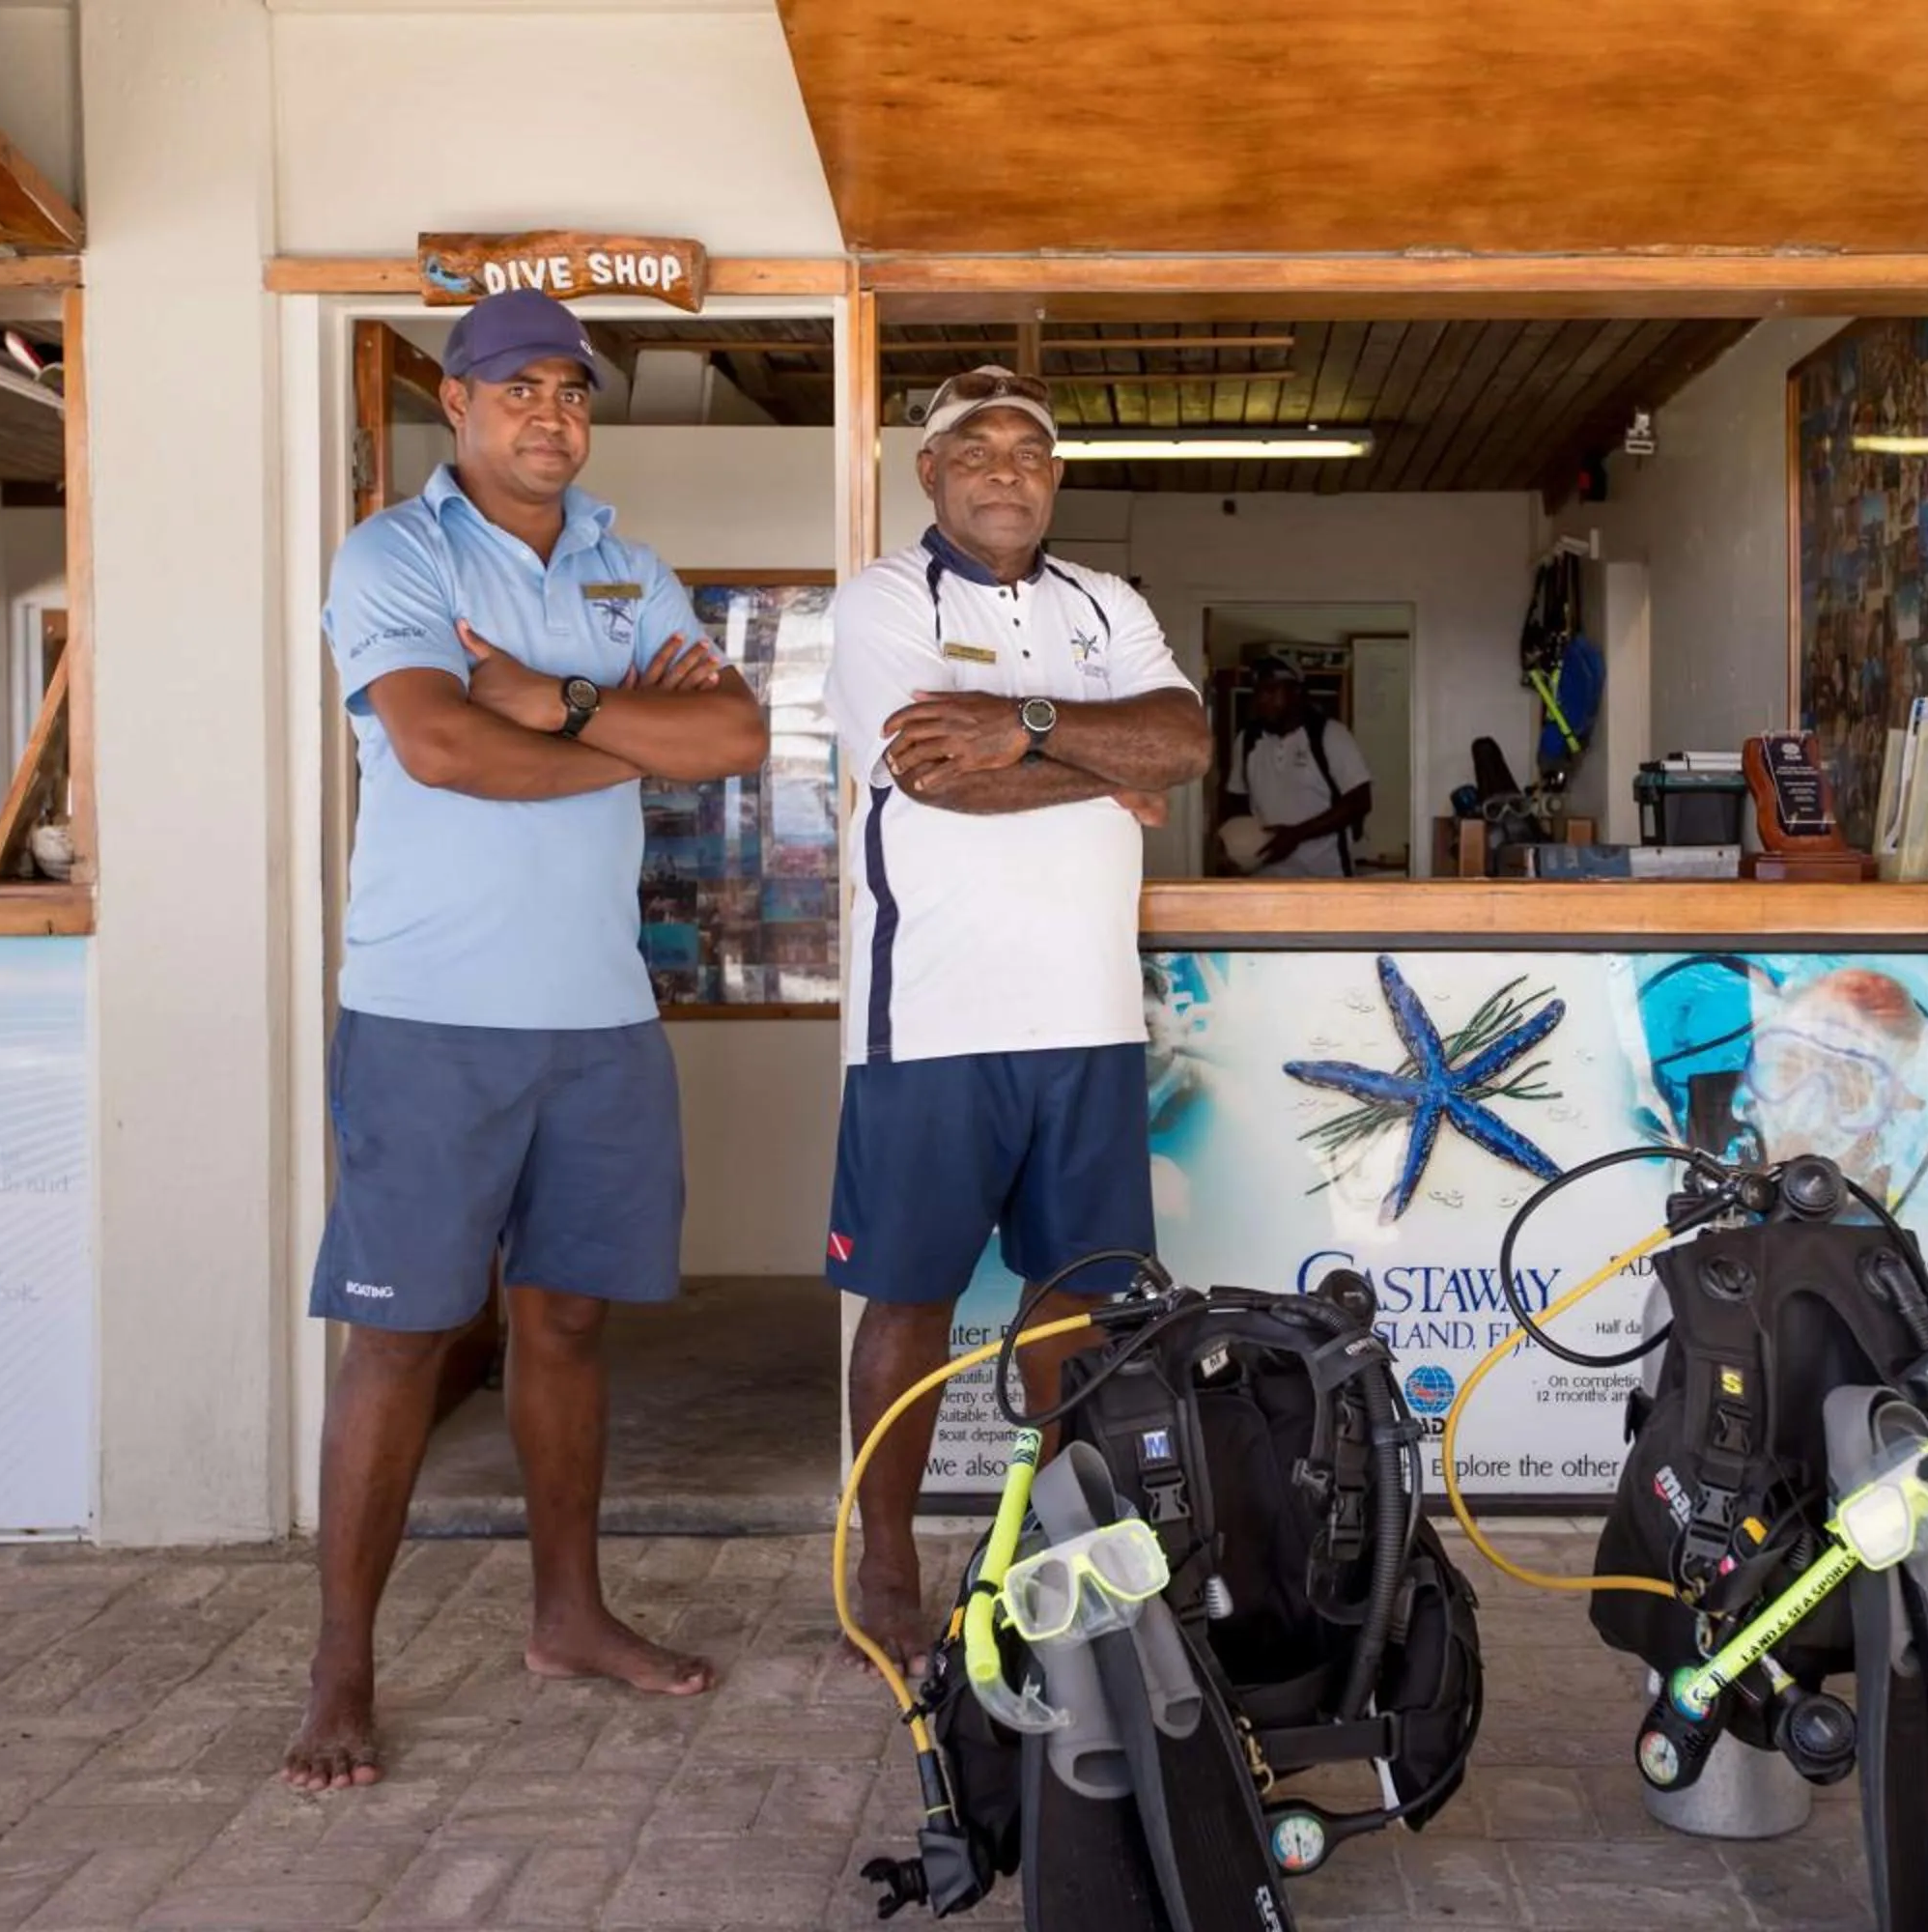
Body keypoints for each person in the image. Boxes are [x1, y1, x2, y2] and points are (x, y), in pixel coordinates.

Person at [284, 289, 768, 1791]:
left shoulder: (629, 566)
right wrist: (619, 729)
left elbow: (735, 742)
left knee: (566, 1323)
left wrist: (550, 703)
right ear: (457, 399)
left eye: (571, 389)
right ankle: (341, 1671)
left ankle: (571, 1617)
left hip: (600, 1017)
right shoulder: (397, 554)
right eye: (519, 389)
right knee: (402, 1337)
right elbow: (436, 744)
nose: (550, 414)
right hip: (431, 1014)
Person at [822, 366, 1212, 1670]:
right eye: (973, 448)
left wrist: (1029, 726)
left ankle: (1062, 1543)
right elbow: (935, 781)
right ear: (928, 473)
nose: (1006, 468)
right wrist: (1104, 769)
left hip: (1088, 1014)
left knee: (1078, 1304)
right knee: (909, 1298)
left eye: (1030, 450)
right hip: (929, 1017)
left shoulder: (1110, 603)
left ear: (1056, 477)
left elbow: (1186, 743)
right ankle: (884, 1559)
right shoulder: (885, 599)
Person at [1223, 655, 1374, 876]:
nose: (1261, 701)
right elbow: (1237, 801)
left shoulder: (1329, 735)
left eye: (1271, 691)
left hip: (1325, 878)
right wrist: (1235, 844)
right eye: (1258, 692)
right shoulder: (1247, 740)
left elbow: (1359, 801)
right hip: (1264, 880)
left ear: (1297, 692)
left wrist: (1296, 835)